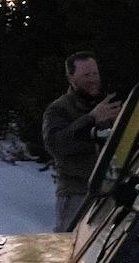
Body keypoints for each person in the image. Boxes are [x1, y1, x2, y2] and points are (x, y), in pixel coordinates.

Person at [42, 51, 121, 231]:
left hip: (108, 194)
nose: (93, 79)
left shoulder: (107, 104)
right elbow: (56, 145)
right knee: (68, 249)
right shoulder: (58, 109)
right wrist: (90, 119)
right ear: (71, 78)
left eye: (95, 73)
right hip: (76, 195)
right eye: (86, 75)